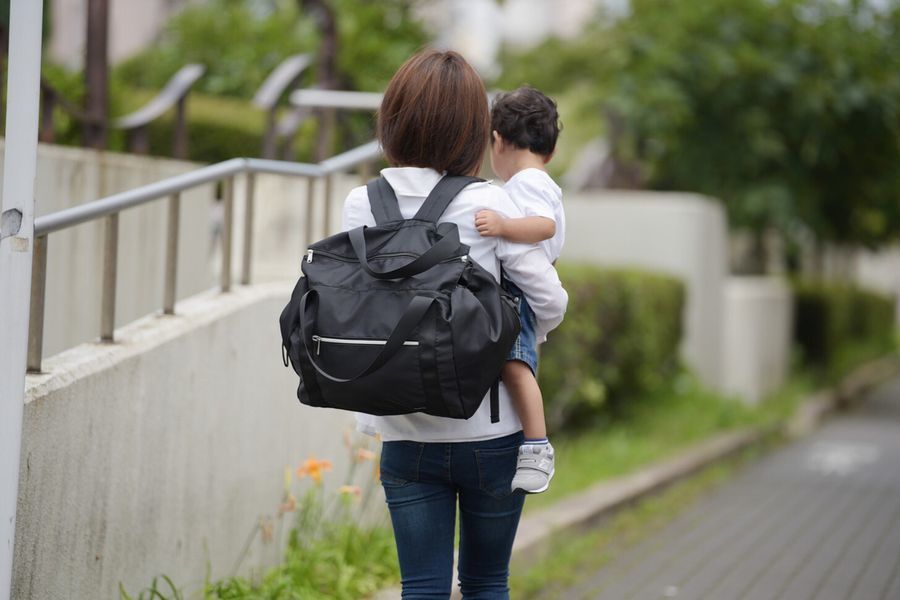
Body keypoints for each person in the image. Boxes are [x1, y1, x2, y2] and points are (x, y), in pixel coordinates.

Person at [342, 50, 568, 599]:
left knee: (421, 589)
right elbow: (549, 296)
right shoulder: (488, 203)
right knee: (487, 583)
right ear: (472, 129)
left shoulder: (361, 203)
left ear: (393, 119)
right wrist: (522, 338)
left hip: (404, 429)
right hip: (491, 428)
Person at [473, 87, 564, 494]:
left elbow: (545, 226)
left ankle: (537, 446)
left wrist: (503, 226)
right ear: (551, 149)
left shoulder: (528, 182)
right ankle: (534, 442)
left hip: (519, 292)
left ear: (498, 140)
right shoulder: (538, 180)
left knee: (515, 364)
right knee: (518, 362)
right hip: (526, 289)